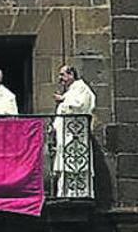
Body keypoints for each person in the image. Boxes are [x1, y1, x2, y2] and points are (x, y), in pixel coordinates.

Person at [52, 65, 95, 197]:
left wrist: (63, 100)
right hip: (66, 136)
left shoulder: (81, 88)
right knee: (66, 166)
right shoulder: (71, 91)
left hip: (75, 137)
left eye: (62, 75)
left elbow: (80, 106)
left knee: (75, 166)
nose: (60, 79)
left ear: (71, 75)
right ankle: (65, 193)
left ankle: (78, 194)